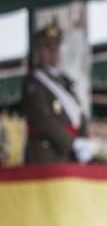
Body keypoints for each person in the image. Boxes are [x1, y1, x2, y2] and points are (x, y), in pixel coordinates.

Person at [20, 22, 94, 165]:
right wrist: (71, 143)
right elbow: (43, 120)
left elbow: (77, 112)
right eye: (48, 47)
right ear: (38, 51)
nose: (54, 52)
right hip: (47, 154)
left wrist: (84, 138)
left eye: (56, 47)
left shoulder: (64, 81)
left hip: (70, 155)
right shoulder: (34, 82)